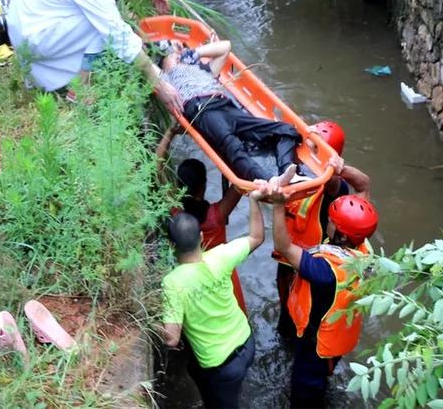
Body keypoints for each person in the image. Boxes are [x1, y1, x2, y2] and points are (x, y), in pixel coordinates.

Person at [161, 179, 272, 408]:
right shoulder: (221, 256)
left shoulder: (172, 283)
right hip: (246, 342)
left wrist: (148, 321)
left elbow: (171, 338)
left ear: (171, 246)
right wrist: (253, 201)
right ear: (201, 239)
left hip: (220, 364)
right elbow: (257, 237)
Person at [270, 184, 378, 408]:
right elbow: (364, 185)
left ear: (340, 233)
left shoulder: (325, 272)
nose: (326, 219)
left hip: (317, 345)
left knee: (304, 394)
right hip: (338, 336)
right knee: (322, 375)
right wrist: (337, 168)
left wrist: (278, 204)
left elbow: (284, 245)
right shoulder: (364, 251)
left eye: (330, 220)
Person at [6, 0, 182, 112]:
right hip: (37, 37)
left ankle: (63, 81)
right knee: (102, 26)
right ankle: (80, 91)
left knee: (102, 20)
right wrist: (158, 82)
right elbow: (117, 33)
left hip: (25, 29)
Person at [275, 121, 371, 339]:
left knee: (304, 319)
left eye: (312, 151)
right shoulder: (309, 180)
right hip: (297, 260)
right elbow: (364, 184)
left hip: (310, 264)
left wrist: (337, 168)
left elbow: (356, 183)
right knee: (289, 316)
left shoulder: (333, 187)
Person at [157, 39, 303, 182]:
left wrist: (193, 53)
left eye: (181, 50)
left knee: (286, 130)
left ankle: (287, 171)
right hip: (202, 109)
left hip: (226, 107)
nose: (179, 54)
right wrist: (169, 52)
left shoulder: (202, 69)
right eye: (174, 52)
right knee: (233, 147)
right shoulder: (164, 80)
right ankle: (270, 181)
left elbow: (225, 47)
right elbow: (143, 58)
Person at [156, 125, 246, 312]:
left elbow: (157, 165)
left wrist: (171, 131)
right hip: (223, 278)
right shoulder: (217, 215)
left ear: (178, 185)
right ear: (204, 185)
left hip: (192, 281)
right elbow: (241, 179)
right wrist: (223, 143)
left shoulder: (176, 212)